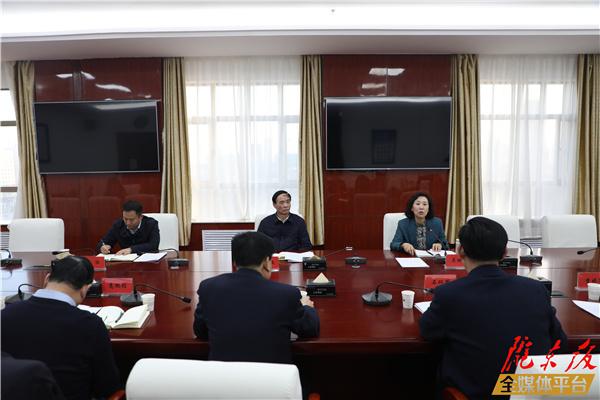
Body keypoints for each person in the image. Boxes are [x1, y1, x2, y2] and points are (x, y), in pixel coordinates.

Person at [419, 217, 568, 399]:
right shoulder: (535, 289)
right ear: (505, 253)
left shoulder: (449, 294)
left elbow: (427, 331)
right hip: (530, 393)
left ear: (460, 250)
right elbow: (559, 343)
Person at [1, 256, 121, 400]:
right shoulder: (90, 324)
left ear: (47, 278)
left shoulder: (5, 314)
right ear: (85, 289)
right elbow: (108, 387)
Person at [193, 231, 320, 364]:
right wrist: (307, 307)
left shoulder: (209, 288)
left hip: (224, 375)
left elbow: (200, 331)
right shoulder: (286, 294)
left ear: (234, 261)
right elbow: (309, 329)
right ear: (266, 262)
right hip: (272, 375)